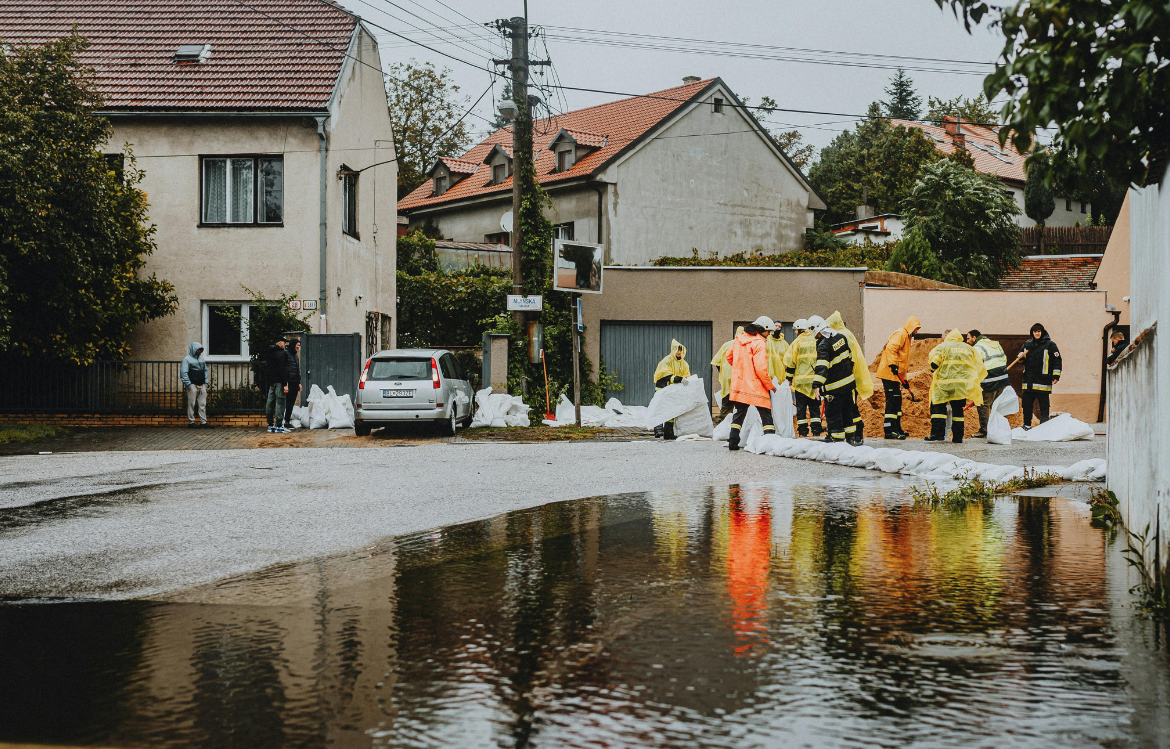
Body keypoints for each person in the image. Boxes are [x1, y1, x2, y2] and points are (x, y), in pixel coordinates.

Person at [925, 329, 987, 443]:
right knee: (958, 411)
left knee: (938, 410)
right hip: (960, 387)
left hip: (943, 385)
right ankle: (958, 437)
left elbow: (934, 363)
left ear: (947, 337)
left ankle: (937, 435)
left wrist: (934, 369)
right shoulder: (968, 348)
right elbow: (978, 365)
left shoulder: (943, 347)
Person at [726, 317, 776, 450]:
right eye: (768, 331)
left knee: (739, 414)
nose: (769, 334)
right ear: (761, 329)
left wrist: (741, 369)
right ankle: (769, 441)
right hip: (756, 385)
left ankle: (732, 442)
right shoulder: (759, 342)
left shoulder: (739, 339)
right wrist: (770, 385)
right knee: (766, 414)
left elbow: (729, 356)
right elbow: (760, 368)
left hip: (740, 385)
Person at [810, 315, 860, 444]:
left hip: (834, 388)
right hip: (848, 384)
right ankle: (851, 438)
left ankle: (837, 440)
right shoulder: (840, 337)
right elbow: (849, 358)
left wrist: (817, 385)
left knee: (833, 414)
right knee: (847, 412)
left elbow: (822, 365)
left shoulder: (823, 344)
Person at [825, 311, 872, 444]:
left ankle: (857, 434)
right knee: (849, 407)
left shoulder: (843, 336)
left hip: (847, 379)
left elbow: (848, 359)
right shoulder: (846, 334)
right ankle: (853, 435)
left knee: (849, 407)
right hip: (850, 378)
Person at [874, 316, 921, 440]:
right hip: (889, 373)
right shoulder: (901, 333)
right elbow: (891, 348)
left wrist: (904, 380)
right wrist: (893, 364)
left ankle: (897, 427)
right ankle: (889, 430)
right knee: (892, 401)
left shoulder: (907, 337)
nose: (916, 332)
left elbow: (903, 361)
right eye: (916, 329)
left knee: (897, 401)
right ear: (911, 326)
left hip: (895, 376)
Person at [1013, 322, 1061, 427]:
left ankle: (1044, 426)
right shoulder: (1027, 344)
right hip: (1028, 382)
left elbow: (1057, 360)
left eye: (1039, 331)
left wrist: (1056, 375)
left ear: (1042, 332)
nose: (1037, 333)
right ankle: (1026, 425)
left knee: (1044, 406)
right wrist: (1020, 357)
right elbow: (1021, 361)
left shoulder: (1050, 345)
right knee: (1026, 405)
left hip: (1043, 381)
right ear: (1032, 333)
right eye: (1035, 331)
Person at [967, 330, 1009, 438]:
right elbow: (1004, 358)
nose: (967, 341)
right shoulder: (995, 343)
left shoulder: (977, 348)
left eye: (968, 338)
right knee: (997, 405)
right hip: (1002, 378)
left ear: (974, 337)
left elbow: (974, 365)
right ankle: (998, 429)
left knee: (982, 404)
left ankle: (984, 430)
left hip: (989, 379)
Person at [785, 319, 822, 437]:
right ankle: (816, 431)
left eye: (796, 330)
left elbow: (790, 363)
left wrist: (789, 379)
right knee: (815, 407)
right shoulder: (816, 340)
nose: (795, 332)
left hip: (800, 383)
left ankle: (803, 432)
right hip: (815, 382)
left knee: (801, 408)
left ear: (800, 329)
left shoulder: (797, 343)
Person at [653, 339, 690, 440]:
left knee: (671, 411)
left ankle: (668, 433)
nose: (679, 352)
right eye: (677, 350)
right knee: (660, 409)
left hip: (674, 391)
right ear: (673, 350)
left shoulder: (684, 364)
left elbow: (687, 377)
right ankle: (658, 430)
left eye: (680, 350)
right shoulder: (667, 360)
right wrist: (678, 379)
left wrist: (685, 381)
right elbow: (665, 375)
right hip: (663, 389)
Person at [711, 327, 744, 422]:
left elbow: (716, 362)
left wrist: (723, 372)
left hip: (727, 379)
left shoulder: (726, 345)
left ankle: (721, 424)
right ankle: (735, 427)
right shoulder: (745, 346)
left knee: (726, 405)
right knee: (740, 407)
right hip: (739, 380)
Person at [180, 341, 209, 428]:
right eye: (197, 349)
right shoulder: (186, 359)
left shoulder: (201, 359)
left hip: (202, 383)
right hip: (192, 384)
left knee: (202, 403)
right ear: (193, 349)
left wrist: (205, 383)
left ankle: (203, 422)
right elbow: (183, 373)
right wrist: (188, 384)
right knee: (191, 403)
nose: (199, 351)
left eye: (200, 349)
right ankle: (191, 422)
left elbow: (205, 370)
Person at [265, 335, 290, 433]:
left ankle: (270, 425)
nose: (285, 344)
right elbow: (282, 369)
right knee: (280, 402)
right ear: (279, 342)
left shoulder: (270, 352)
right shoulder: (282, 354)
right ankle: (279, 425)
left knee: (270, 402)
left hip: (271, 380)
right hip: (279, 381)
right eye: (284, 342)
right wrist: (285, 383)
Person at [282, 339, 302, 430]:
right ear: (293, 345)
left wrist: (299, 383)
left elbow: (297, 370)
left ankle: (287, 421)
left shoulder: (295, 355)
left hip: (295, 382)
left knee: (291, 403)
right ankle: (282, 421)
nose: (298, 347)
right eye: (297, 345)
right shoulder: (286, 354)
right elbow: (285, 369)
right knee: (286, 401)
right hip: (288, 382)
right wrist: (285, 383)